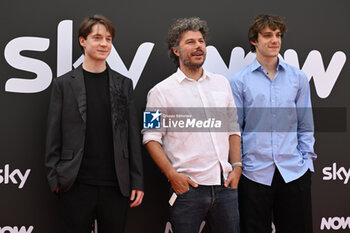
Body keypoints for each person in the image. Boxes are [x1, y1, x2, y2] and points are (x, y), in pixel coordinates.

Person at [45, 14, 144, 233]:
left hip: (116, 186)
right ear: (83, 41)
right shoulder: (63, 84)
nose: (104, 44)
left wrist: (137, 181)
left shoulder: (124, 84)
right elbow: (53, 136)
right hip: (75, 184)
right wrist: (55, 179)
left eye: (108, 39)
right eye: (97, 38)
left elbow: (132, 137)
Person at [143, 17, 241, 233]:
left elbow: (233, 128)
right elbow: (150, 138)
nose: (198, 46)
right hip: (188, 191)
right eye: (190, 42)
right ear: (176, 50)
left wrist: (237, 167)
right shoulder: (159, 92)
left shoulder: (221, 83)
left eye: (201, 41)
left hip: (225, 187)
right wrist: (172, 175)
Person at [230, 14, 317, 233]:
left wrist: (306, 161)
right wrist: (240, 165)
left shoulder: (298, 78)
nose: (275, 40)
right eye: (267, 35)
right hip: (254, 174)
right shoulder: (239, 81)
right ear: (254, 41)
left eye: (278, 35)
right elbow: (235, 129)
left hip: (294, 172)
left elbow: (305, 125)